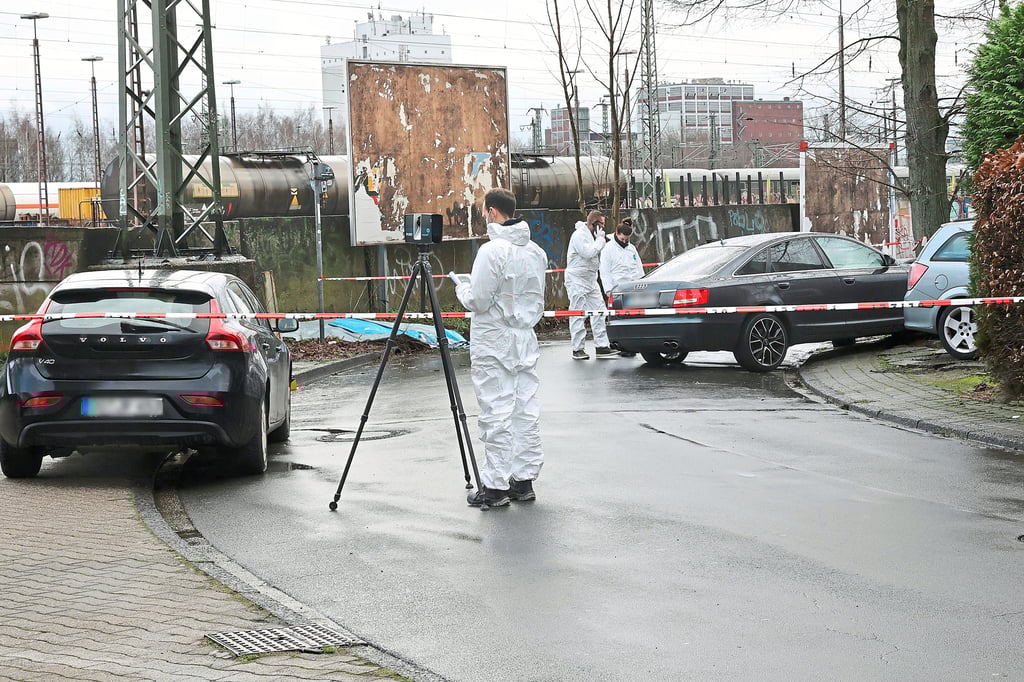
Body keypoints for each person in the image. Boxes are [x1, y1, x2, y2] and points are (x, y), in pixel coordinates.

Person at [455, 188, 548, 509]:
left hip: (494, 340)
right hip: (525, 339)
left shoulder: (492, 251)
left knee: (496, 409)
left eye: (484, 212)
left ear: (493, 212)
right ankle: (523, 481)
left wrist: (462, 290)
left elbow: (479, 300)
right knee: (525, 409)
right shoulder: (536, 252)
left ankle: (494, 486)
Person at [565, 210, 618, 360]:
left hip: (590, 279)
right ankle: (578, 348)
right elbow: (588, 253)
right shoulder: (579, 236)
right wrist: (600, 241)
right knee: (577, 313)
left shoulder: (593, 236)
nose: (603, 228)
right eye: (601, 224)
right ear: (594, 223)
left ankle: (602, 346)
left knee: (599, 311)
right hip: (576, 279)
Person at [599, 219, 645, 357]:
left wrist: (643, 283)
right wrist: (609, 291)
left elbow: (639, 268)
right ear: (617, 234)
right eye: (622, 239)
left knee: (635, 319)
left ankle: (633, 346)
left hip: (634, 288)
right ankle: (623, 346)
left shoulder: (631, 249)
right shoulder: (608, 249)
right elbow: (605, 271)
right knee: (620, 320)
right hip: (618, 289)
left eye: (627, 239)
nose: (624, 241)